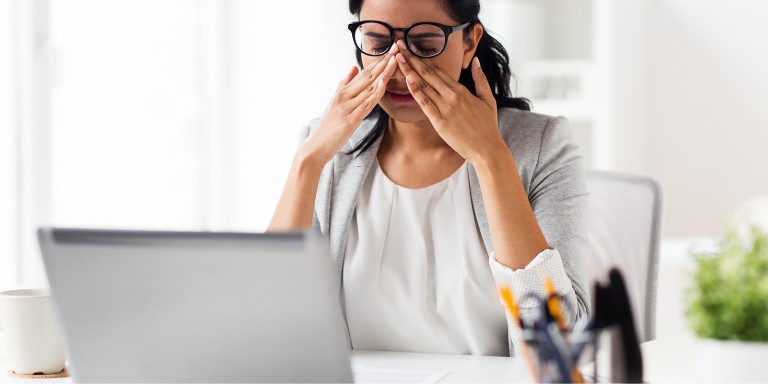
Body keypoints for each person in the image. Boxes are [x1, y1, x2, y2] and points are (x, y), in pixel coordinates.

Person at [269, 0, 589, 357]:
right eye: (377, 43)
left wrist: (490, 158)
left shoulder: (543, 145)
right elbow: (267, 322)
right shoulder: (325, 149)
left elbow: (561, 346)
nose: (398, 68)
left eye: (424, 45)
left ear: (469, 42)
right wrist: (308, 162)